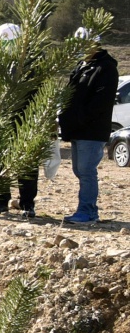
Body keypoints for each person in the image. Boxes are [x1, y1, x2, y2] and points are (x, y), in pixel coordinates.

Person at [59, 29, 118, 224]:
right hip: (78, 128)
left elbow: (100, 102)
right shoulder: (82, 66)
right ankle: (89, 211)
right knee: (79, 170)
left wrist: (79, 119)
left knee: (86, 170)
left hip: (91, 130)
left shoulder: (105, 68)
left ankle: (86, 211)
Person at [0, 23, 39, 218]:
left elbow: (39, 91)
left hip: (26, 118)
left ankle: (27, 203)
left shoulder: (31, 63)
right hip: (2, 119)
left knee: (27, 162)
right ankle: (0, 200)